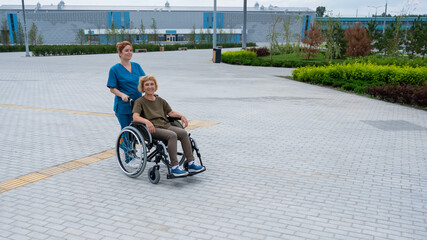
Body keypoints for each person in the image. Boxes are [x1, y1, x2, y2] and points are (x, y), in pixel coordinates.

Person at [132, 75, 205, 177]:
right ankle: (175, 167)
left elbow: (170, 113)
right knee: (172, 135)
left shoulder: (160, 100)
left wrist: (181, 116)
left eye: (152, 84)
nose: (150, 87)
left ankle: (191, 163)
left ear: (155, 86)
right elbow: (135, 117)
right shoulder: (140, 101)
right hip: (152, 128)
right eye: (147, 85)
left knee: (183, 133)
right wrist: (147, 122)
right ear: (143, 88)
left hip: (165, 125)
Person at [107, 41, 146, 129]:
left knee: (137, 131)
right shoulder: (114, 69)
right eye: (126, 50)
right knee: (127, 131)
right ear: (120, 53)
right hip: (124, 106)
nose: (129, 53)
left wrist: (150, 93)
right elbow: (112, 88)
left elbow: (145, 82)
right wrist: (122, 95)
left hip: (137, 105)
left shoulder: (137, 66)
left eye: (131, 50)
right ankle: (123, 143)